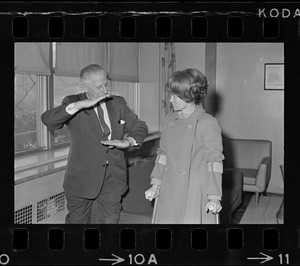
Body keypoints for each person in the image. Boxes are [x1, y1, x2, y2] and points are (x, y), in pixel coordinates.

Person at [41, 64, 148, 224]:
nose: (105, 90)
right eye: (99, 86)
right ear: (83, 86)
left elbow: (140, 126)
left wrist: (128, 140)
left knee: (109, 221)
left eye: (107, 84)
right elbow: (48, 120)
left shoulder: (118, 103)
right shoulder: (72, 102)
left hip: (113, 176)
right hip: (82, 179)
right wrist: (80, 105)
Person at [145, 68, 224, 224]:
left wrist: (214, 197)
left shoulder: (208, 123)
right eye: (171, 95)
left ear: (190, 96)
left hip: (194, 190)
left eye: (176, 96)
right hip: (169, 187)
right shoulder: (170, 118)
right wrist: (155, 184)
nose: (170, 100)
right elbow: (163, 154)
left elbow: (214, 162)